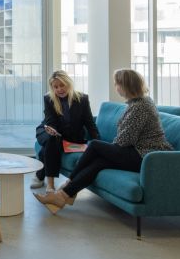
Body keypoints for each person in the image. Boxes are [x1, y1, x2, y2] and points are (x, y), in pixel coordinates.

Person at [34, 69, 172, 214]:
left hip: (146, 156)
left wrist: (107, 149)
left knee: (94, 146)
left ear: (126, 86)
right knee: (99, 163)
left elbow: (125, 141)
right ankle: (63, 196)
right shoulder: (139, 102)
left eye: (117, 84)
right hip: (138, 152)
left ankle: (68, 183)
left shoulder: (140, 107)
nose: (115, 87)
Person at [32, 70, 99, 191]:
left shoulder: (82, 99)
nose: (59, 89)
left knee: (47, 149)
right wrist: (53, 131)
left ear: (68, 83)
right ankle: (50, 184)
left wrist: (98, 142)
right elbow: (51, 121)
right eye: (55, 87)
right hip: (48, 129)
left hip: (71, 136)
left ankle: (40, 175)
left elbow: (89, 122)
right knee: (52, 139)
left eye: (62, 85)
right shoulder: (48, 98)